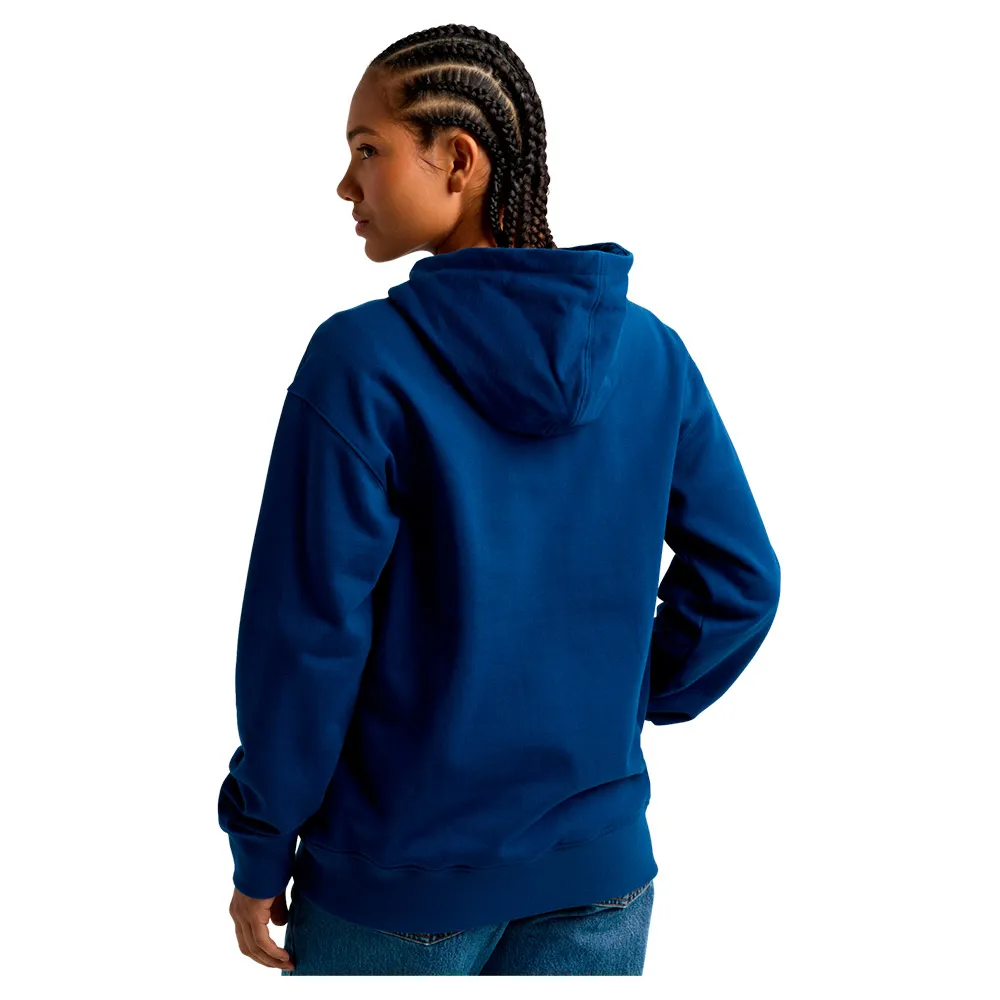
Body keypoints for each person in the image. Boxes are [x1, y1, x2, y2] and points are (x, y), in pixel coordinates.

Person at [219, 22, 781, 977]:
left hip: (396, 881)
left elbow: (305, 639)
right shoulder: (650, 355)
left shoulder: (361, 364)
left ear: (459, 160)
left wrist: (261, 844)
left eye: (368, 150)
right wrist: (615, 698)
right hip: (599, 877)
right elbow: (742, 582)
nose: (347, 184)